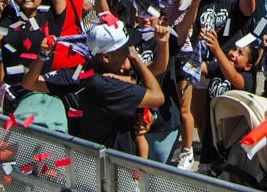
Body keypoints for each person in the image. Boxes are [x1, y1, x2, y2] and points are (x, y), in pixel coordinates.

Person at [22, 18, 167, 153]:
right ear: (106, 57)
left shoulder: (76, 75)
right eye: (124, 50)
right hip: (117, 164)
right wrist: (136, 59)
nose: (128, 54)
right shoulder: (105, 85)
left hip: (86, 157)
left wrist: (42, 55)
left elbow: (29, 82)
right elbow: (158, 97)